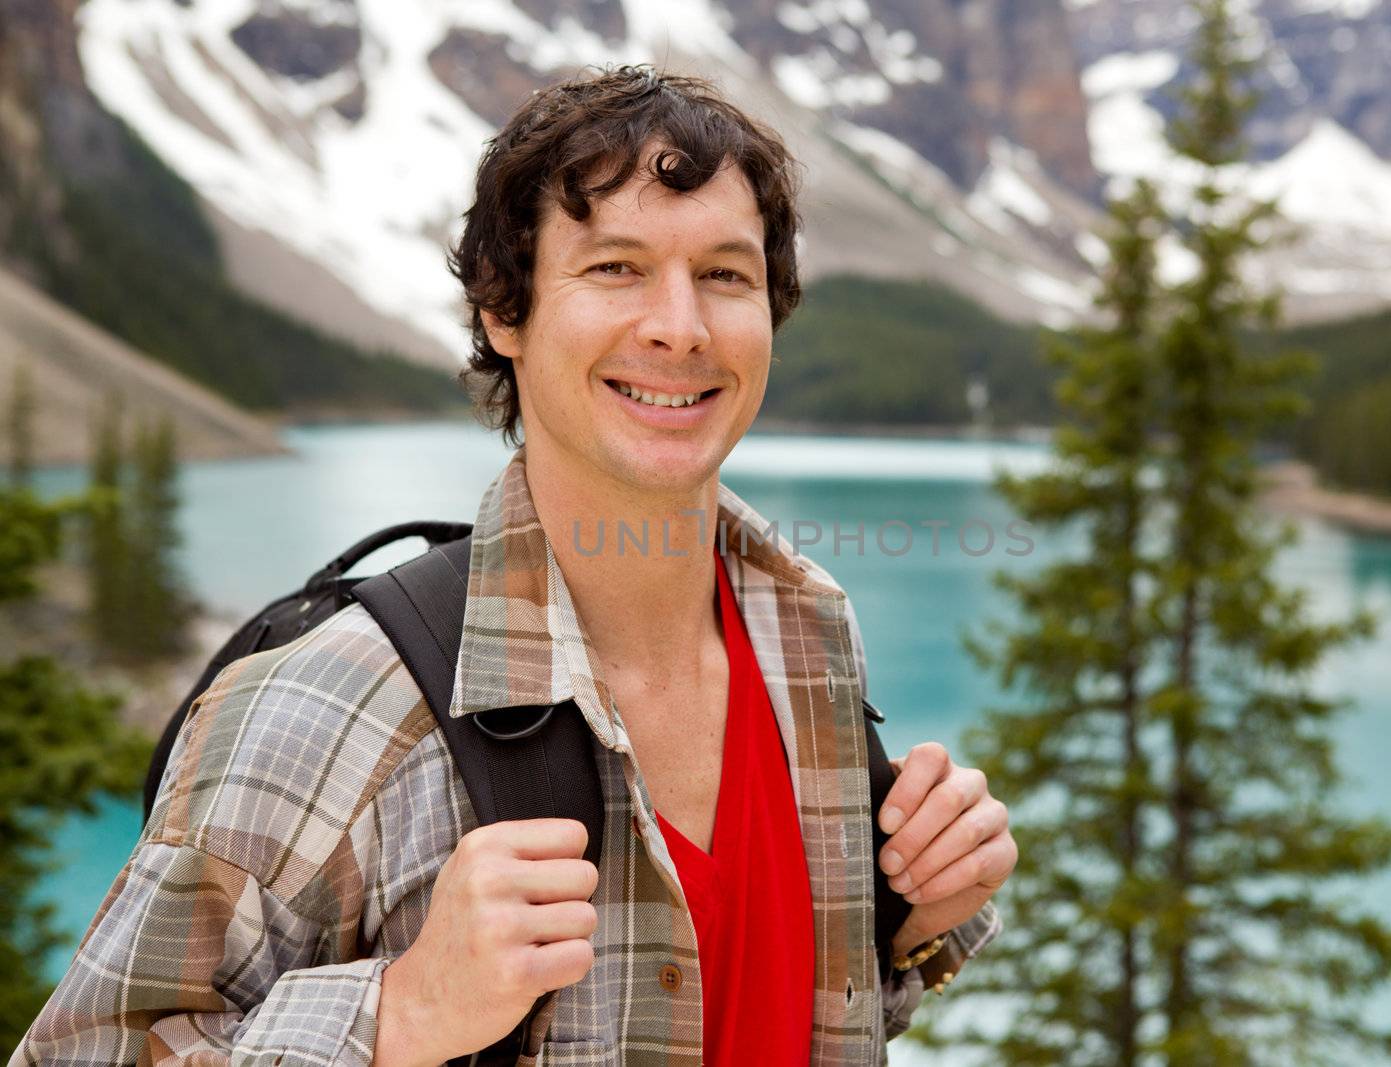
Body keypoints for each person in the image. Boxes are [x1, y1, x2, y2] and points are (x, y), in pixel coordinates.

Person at [11, 66, 1013, 1066]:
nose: (680, 325)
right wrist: (400, 1012)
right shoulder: (329, 704)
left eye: (724, 274)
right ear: (505, 312)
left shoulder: (807, 650)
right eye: (616, 267)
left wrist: (910, 923)